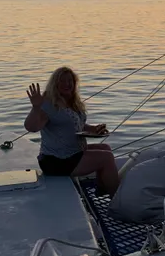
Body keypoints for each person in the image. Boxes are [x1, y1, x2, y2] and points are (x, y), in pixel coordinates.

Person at [24, 67, 119, 196]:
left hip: (72, 153)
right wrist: (36, 107)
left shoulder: (70, 101)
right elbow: (31, 127)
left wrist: (93, 129)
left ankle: (102, 189)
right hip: (57, 161)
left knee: (105, 148)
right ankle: (117, 199)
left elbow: (74, 124)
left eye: (70, 81)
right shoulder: (48, 103)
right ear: (55, 83)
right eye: (62, 81)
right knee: (106, 158)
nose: (67, 84)